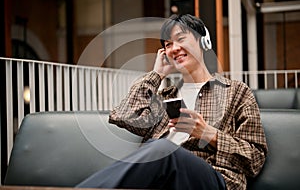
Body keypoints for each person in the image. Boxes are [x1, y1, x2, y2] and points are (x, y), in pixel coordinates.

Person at [77, 14, 268, 190]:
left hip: (213, 179)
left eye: (181, 39)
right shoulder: (164, 97)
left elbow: (255, 159)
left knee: (164, 149)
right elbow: (124, 116)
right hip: (163, 178)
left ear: (204, 42)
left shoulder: (236, 92)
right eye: (168, 44)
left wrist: (208, 134)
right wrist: (156, 74)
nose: (174, 48)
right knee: (160, 150)